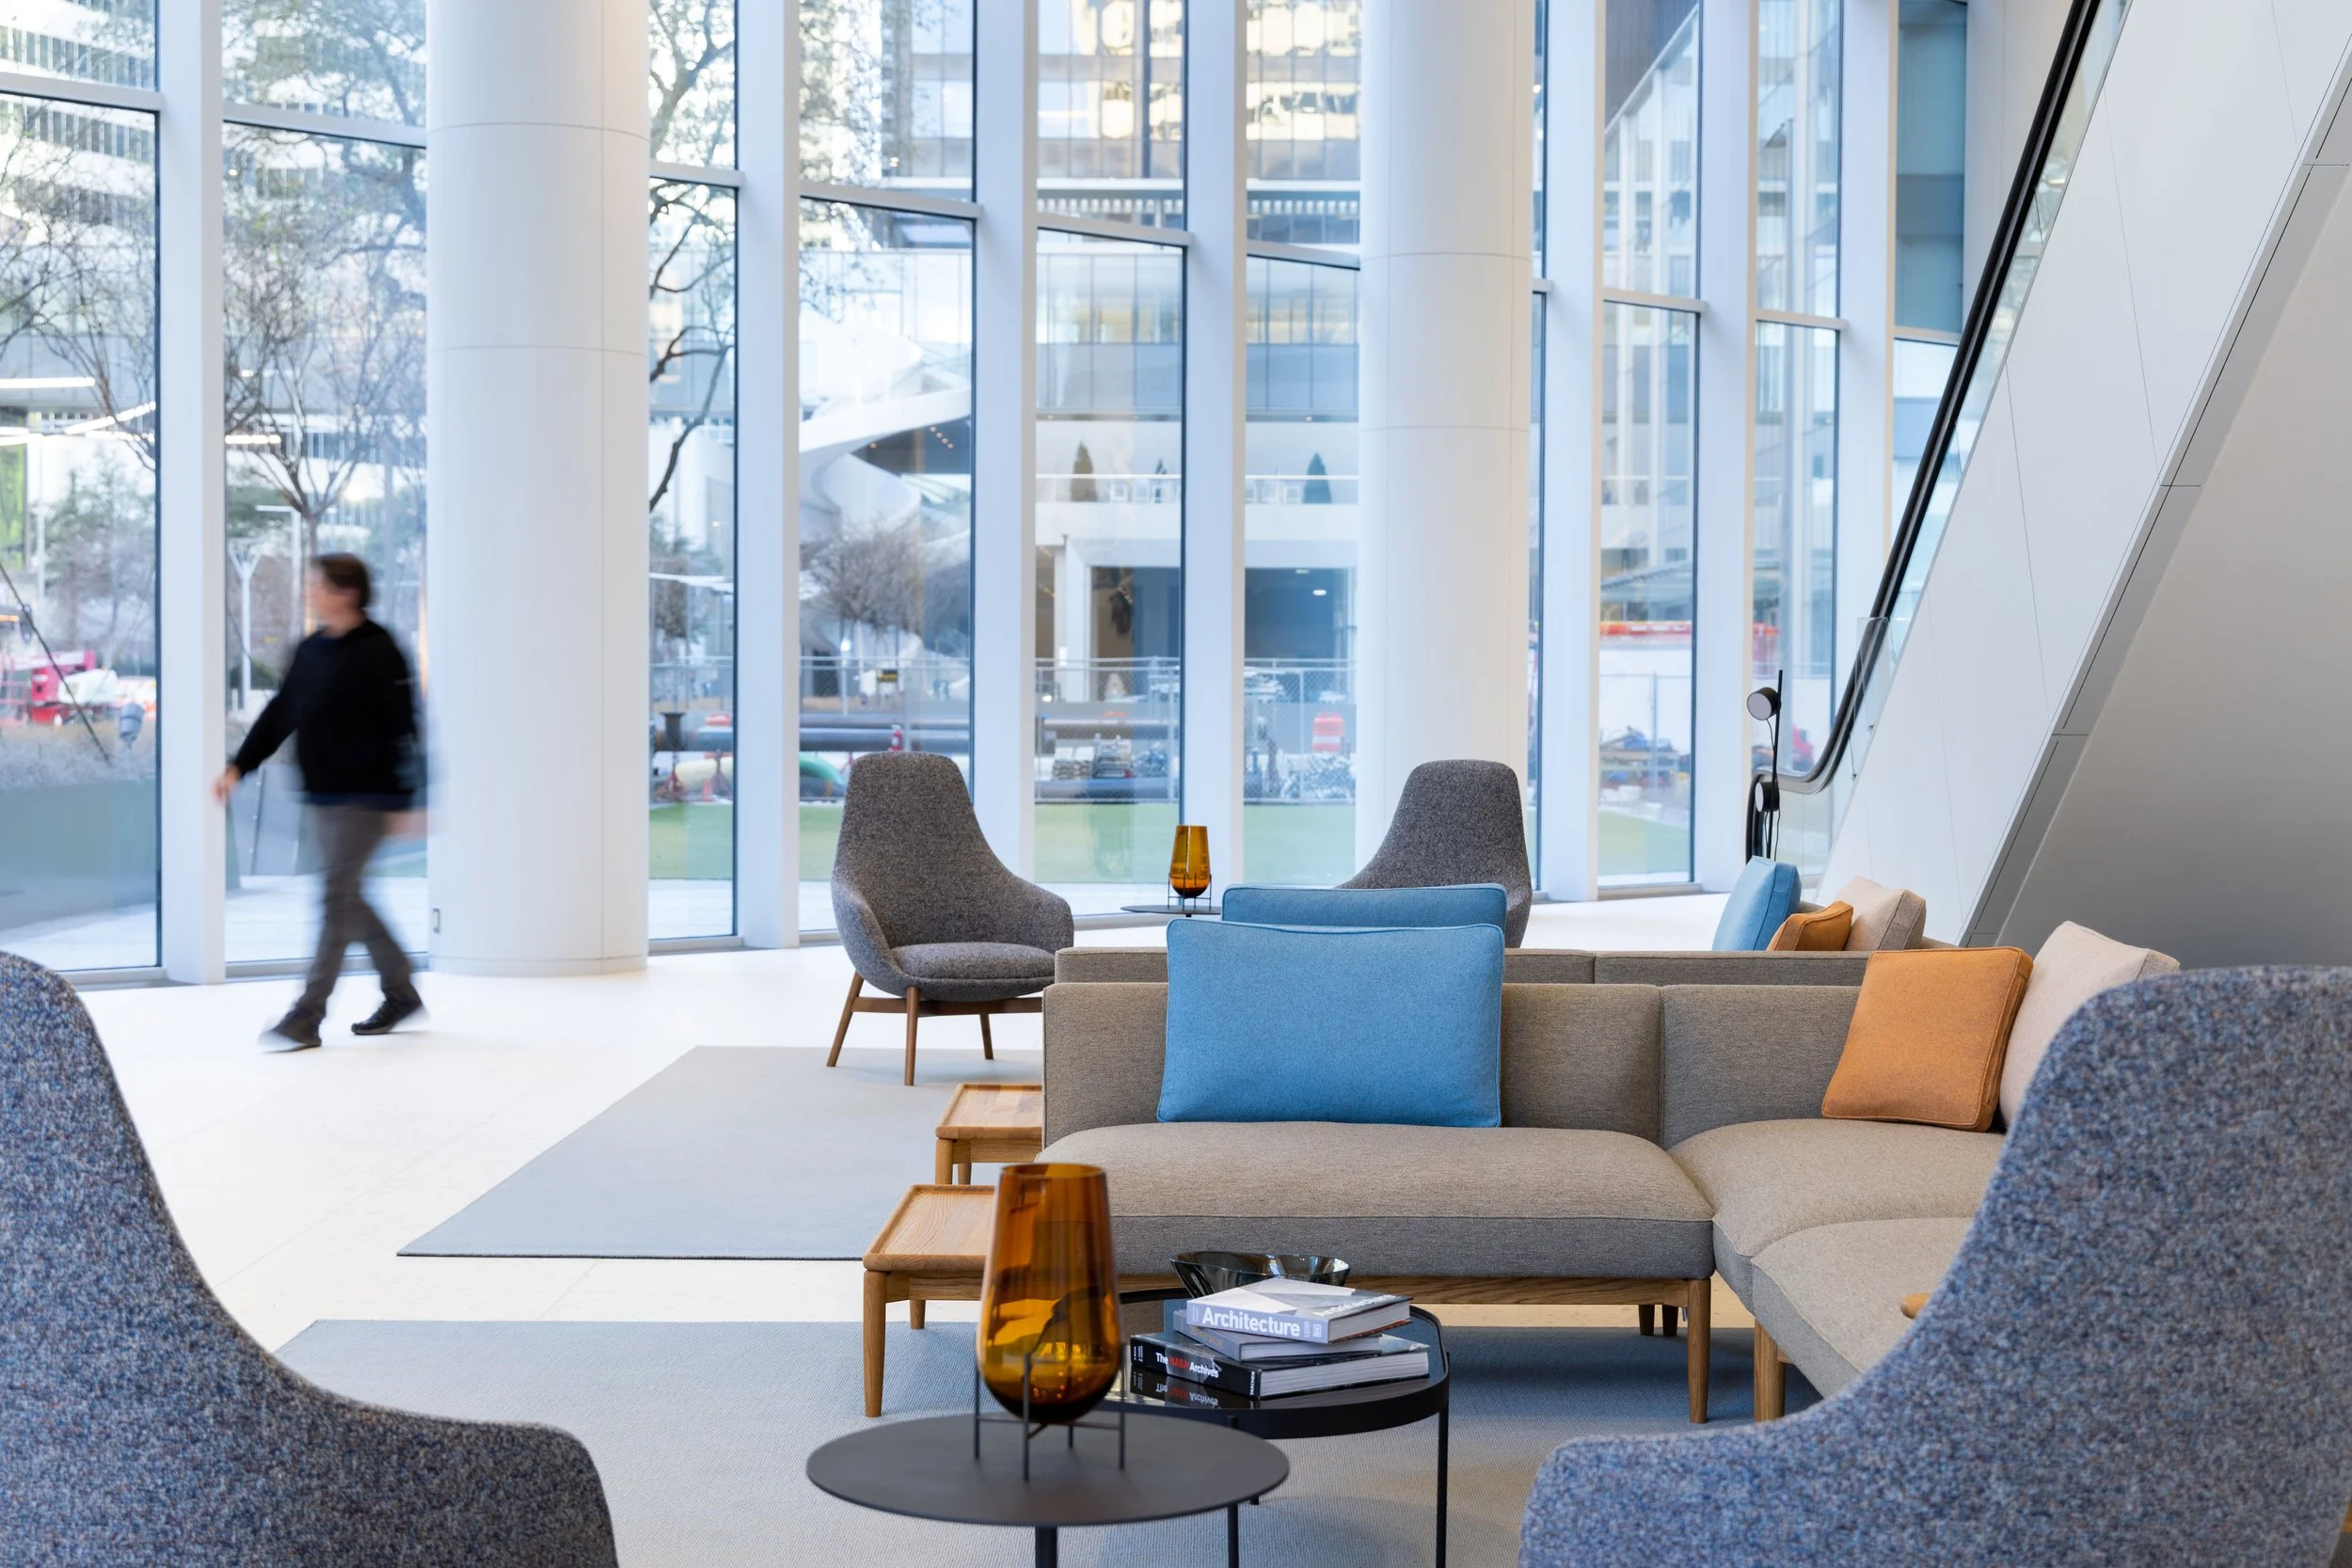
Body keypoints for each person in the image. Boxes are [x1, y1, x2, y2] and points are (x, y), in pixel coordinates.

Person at [214, 554, 425, 1052]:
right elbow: (282, 711)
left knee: (335, 900)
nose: (311, 593)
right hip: (323, 795)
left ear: (347, 592)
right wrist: (239, 765)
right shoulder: (310, 649)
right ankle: (401, 988)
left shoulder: (379, 650)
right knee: (348, 897)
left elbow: (405, 726)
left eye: (319, 586)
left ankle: (307, 1015)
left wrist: (408, 798)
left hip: (367, 798)